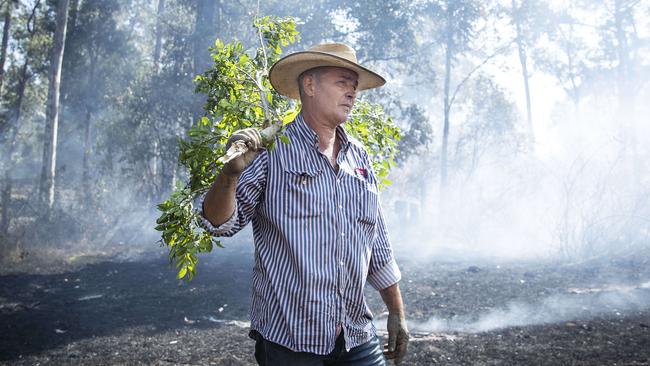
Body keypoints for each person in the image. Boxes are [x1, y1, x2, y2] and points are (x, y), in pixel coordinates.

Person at [198, 43, 409, 365]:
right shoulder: (271, 150)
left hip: (356, 335)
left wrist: (396, 312)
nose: (352, 93)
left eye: (355, 86)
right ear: (309, 85)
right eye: (342, 82)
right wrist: (229, 174)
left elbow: (377, 241)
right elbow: (218, 223)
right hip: (291, 341)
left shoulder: (359, 157)